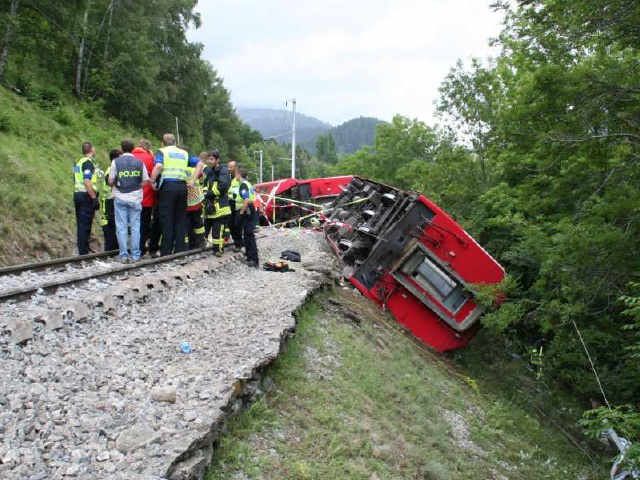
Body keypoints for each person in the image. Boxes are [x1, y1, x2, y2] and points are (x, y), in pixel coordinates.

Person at [150, 134, 203, 256]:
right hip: (182, 187)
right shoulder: (183, 153)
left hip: (168, 187)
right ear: (175, 142)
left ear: (162, 142)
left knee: (167, 218)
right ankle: (180, 249)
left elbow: (158, 166)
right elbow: (200, 164)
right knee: (180, 218)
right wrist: (193, 181)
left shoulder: (162, 152)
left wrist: (152, 180)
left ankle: (166, 251)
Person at [108, 139, 149, 262]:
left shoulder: (116, 162)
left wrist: (119, 185)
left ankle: (124, 255)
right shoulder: (139, 162)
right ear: (132, 149)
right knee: (136, 227)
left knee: (121, 227)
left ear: (121, 149)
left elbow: (110, 181)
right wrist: (136, 187)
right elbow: (146, 180)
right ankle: (136, 255)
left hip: (120, 197)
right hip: (135, 198)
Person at [132, 139, 159, 256]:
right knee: (144, 223)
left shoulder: (128, 156)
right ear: (148, 148)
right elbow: (155, 174)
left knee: (131, 224)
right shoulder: (149, 158)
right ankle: (141, 248)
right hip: (146, 196)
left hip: (129, 196)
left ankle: (131, 248)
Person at [202, 150, 231, 257]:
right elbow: (205, 184)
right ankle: (212, 248)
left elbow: (223, 186)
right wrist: (205, 193)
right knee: (208, 228)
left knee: (217, 231)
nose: (209, 161)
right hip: (211, 206)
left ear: (217, 160)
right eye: (208, 159)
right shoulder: (209, 171)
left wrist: (210, 193)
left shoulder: (223, 171)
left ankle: (218, 250)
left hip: (221, 206)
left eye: (212, 159)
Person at [73, 141, 98, 255]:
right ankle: (83, 251)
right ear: (91, 150)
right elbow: (87, 181)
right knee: (85, 224)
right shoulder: (88, 163)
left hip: (78, 194)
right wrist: (93, 197)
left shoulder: (79, 162)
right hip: (85, 195)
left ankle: (84, 247)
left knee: (81, 223)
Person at [237, 167, 259, 268]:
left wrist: (241, 212)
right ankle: (250, 257)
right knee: (248, 235)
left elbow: (246, 200)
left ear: (239, 175)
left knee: (248, 235)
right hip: (252, 209)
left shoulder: (243, 185)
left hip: (248, 211)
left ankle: (253, 259)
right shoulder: (248, 184)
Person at [99, 149, 121, 252]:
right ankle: (109, 250)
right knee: (109, 226)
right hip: (108, 201)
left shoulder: (112, 170)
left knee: (113, 225)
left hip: (111, 200)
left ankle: (113, 249)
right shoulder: (110, 171)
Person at [185, 153, 206, 249]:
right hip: (197, 199)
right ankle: (201, 242)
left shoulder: (182, 170)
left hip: (186, 201)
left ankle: (190, 244)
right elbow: (202, 180)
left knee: (188, 223)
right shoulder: (196, 169)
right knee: (198, 223)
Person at [227, 160, 243, 252]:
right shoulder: (227, 177)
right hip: (230, 204)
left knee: (237, 225)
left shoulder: (239, 178)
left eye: (231, 167)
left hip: (239, 205)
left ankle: (239, 243)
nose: (229, 169)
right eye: (228, 167)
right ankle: (237, 242)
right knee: (231, 224)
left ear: (236, 168)